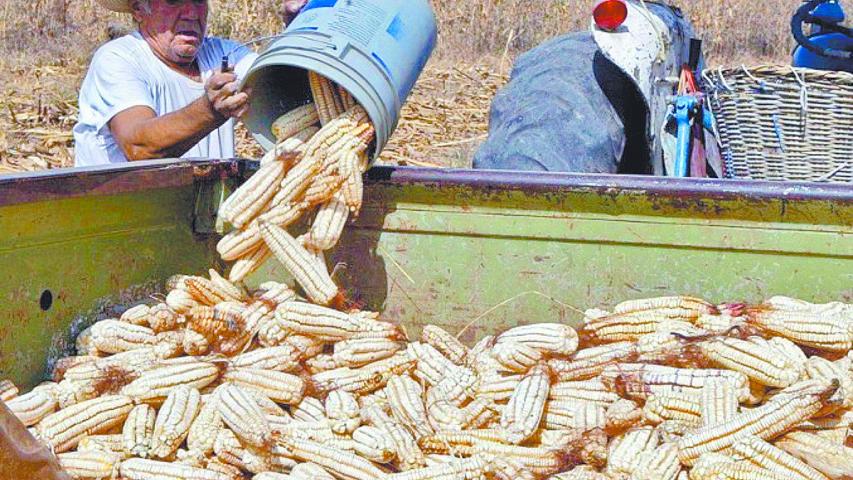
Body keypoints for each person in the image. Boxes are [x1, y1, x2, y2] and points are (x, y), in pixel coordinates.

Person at [73, 0, 308, 167]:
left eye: (198, 1)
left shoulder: (224, 54)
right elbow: (139, 148)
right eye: (174, 1)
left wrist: (299, 28)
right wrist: (209, 110)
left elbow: (281, 83)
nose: (191, 13)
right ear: (138, 9)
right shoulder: (118, 58)